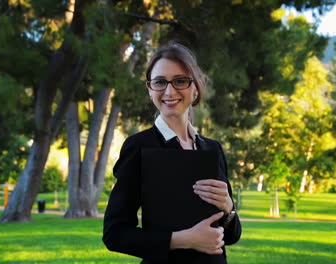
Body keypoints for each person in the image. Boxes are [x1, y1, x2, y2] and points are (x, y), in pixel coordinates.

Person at [102, 43, 241, 264]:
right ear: (150, 89)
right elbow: (114, 234)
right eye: (160, 82)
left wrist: (229, 208)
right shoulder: (139, 147)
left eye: (180, 81)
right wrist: (183, 239)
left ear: (195, 87)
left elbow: (231, 236)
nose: (169, 91)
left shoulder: (212, 148)